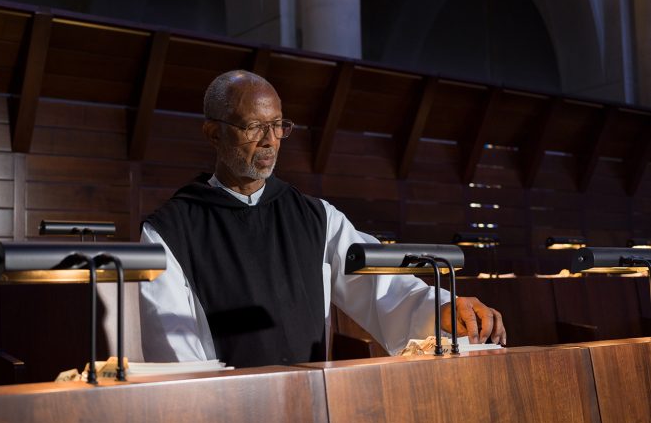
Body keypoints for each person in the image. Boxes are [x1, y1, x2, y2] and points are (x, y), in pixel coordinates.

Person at [139, 70, 506, 367]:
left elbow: (383, 288)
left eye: (278, 125)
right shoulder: (170, 232)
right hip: (228, 415)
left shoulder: (316, 217)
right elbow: (172, 343)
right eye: (253, 127)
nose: (270, 140)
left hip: (313, 403)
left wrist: (440, 308)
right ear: (213, 133)